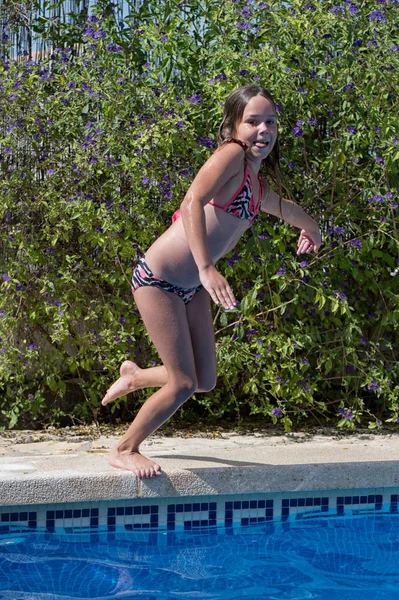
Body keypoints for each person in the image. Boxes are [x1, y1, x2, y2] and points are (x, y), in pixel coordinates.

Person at [101, 84, 322, 478]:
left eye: (270, 122)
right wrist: (206, 268)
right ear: (234, 126)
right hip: (160, 279)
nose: (262, 130)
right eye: (252, 121)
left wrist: (312, 227)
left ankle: (135, 377)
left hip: (188, 288)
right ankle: (124, 448)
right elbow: (191, 201)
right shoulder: (231, 155)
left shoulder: (255, 184)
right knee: (183, 382)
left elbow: (283, 209)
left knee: (203, 379)